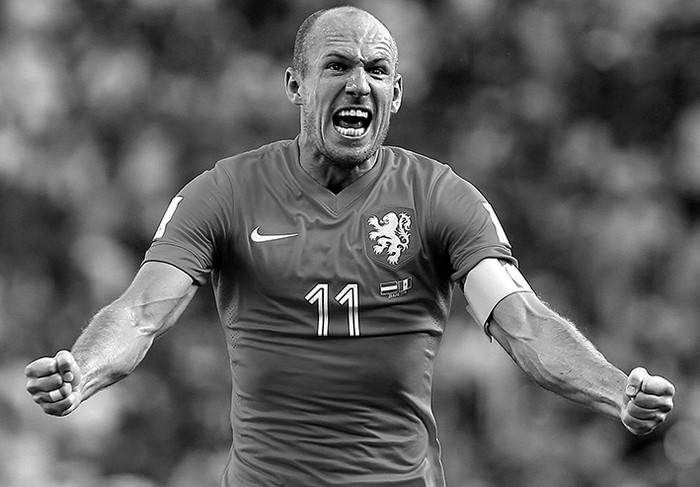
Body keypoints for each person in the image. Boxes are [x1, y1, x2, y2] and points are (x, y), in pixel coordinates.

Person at [25, 6, 675, 487]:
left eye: (377, 70)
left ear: (398, 92)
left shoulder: (440, 197)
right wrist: (82, 370)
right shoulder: (223, 192)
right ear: (294, 85)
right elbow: (140, 312)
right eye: (336, 65)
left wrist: (615, 389)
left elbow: (522, 323)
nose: (359, 83)